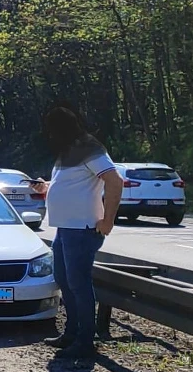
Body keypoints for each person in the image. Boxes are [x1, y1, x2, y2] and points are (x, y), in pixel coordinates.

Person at [29, 107, 123, 359]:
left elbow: (115, 181)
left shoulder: (90, 148)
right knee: (64, 279)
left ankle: (85, 340)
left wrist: (108, 220)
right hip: (65, 228)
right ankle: (71, 333)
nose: (49, 135)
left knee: (78, 284)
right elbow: (71, 186)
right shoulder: (68, 151)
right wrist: (46, 186)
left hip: (83, 229)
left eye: (51, 129)